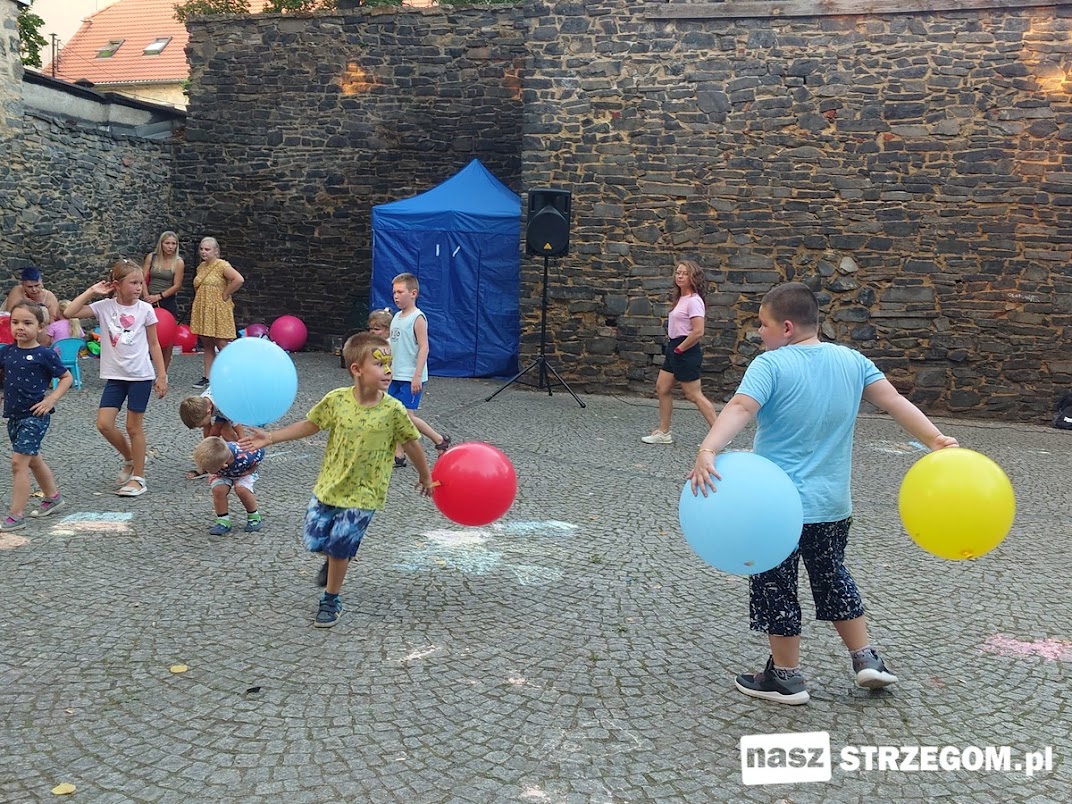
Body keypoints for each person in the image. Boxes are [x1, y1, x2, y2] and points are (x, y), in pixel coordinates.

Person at [689, 283, 959, 705]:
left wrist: (709, 449)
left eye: (763, 325)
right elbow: (893, 401)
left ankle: (786, 677)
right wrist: (935, 439)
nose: (759, 333)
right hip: (832, 505)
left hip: (775, 508)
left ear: (787, 327)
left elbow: (741, 408)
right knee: (832, 575)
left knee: (775, 585)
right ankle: (866, 658)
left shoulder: (770, 364)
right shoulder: (852, 361)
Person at [240, 332, 434, 628]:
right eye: (379, 364)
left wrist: (425, 476)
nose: (388, 370)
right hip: (330, 485)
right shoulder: (337, 400)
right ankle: (333, 559)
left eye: (389, 364)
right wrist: (271, 437)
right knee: (314, 540)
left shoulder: (393, 410)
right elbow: (311, 425)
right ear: (357, 369)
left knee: (341, 545)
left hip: (366, 493)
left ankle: (331, 598)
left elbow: (411, 444)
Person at [65, 258, 168, 497]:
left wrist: (162, 375)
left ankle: (139, 478)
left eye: (141, 283)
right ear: (117, 285)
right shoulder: (104, 306)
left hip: (140, 375)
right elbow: (69, 312)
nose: (139, 288)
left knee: (133, 427)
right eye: (133, 283)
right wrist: (92, 291)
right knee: (104, 424)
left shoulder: (145, 309)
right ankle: (130, 458)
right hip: (115, 376)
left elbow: (154, 344)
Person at [0, 302, 73, 530]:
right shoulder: (6, 352)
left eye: (27, 323)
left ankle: (16, 515)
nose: (20, 327)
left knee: (18, 463)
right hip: (14, 416)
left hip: (35, 416)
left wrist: (51, 400)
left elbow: (66, 377)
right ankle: (53, 497)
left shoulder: (45, 354)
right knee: (33, 459)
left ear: (41, 327)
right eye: (15, 322)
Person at [642, 260, 718, 444]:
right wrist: (674, 349)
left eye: (685, 273)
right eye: (678, 273)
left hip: (685, 349)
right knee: (662, 388)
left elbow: (698, 331)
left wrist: (680, 348)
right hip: (674, 348)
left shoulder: (694, 301)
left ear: (693, 277)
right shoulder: (681, 299)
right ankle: (664, 433)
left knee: (693, 395)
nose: (680, 276)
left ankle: (721, 435)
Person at [388, 273, 450, 468]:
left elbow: (424, 347)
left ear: (413, 293)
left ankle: (439, 439)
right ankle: (399, 455)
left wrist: (417, 375)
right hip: (396, 375)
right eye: (394, 292)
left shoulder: (417, 317)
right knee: (393, 414)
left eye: (400, 292)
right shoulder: (396, 317)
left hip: (410, 377)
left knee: (407, 416)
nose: (396, 296)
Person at [189, 237, 243, 389]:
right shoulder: (201, 267)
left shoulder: (222, 266)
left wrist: (226, 294)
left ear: (215, 251)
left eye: (207, 249)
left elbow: (238, 279)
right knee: (207, 343)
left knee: (221, 343)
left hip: (218, 308)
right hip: (204, 307)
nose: (203, 252)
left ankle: (233, 374)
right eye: (201, 249)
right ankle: (208, 377)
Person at [192, 435, 264, 535]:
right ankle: (223, 520)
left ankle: (254, 516)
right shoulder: (215, 456)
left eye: (208, 469)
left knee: (242, 490)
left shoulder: (247, 455)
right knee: (218, 490)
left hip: (244, 471)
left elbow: (259, 454)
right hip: (223, 474)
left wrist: (251, 470)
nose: (206, 471)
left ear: (224, 465)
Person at [142, 231, 186, 374]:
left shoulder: (178, 262)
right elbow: (142, 278)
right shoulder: (152, 257)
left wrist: (159, 297)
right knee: (144, 335)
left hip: (167, 300)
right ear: (161, 244)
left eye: (173, 244)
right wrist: (146, 295)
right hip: (148, 299)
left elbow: (177, 285)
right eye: (167, 243)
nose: (170, 246)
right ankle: (144, 369)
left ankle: (163, 373)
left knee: (168, 339)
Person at [179, 389, 242, 479]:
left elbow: (238, 428)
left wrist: (245, 446)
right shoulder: (201, 405)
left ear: (208, 412)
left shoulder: (224, 407)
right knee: (213, 433)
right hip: (222, 405)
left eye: (201, 425)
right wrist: (207, 449)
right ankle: (208, 464)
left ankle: (240, 460)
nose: (200, 427)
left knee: (226, 433)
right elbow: (207, 428)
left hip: (234, 403)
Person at [3, 267, 61, 346]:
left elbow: (55, 323)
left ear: (41, 282)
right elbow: (9, 315)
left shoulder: (49, 297)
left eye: (37, 285)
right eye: (30, 287)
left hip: (43, 342)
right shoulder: (17, 291)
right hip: (18, 340)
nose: (34, 290)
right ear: (23, 285)